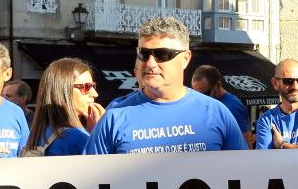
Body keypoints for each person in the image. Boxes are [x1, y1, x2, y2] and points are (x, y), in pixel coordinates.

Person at [85, 17, 247, 154]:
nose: (150, 63)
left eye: (162, 54)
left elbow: (243, 175)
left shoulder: (217, 113)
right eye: (143, 53)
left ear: (185, 58)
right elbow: (90, 182)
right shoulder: (114, 117)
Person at [23, 58, 104, 156]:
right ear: (63, 91)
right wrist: (100, 132)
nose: (95, 94)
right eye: (86, 87)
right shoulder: (75, 137)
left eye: (93, 86)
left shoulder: (39, 133)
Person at [191, 64, 251, 144]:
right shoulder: (209, 103)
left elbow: (245, 142)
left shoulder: (233, 106)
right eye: (195, 94)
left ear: (218, 85)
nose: (200, 99)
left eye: (205, 94)